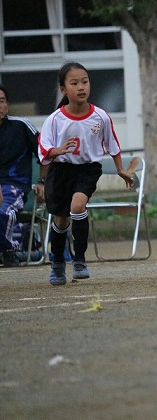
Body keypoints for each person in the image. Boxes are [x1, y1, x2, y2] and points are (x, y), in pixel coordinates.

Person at [39, 62, 134, 285]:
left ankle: (79, 260)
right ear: (63, 89)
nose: (81, 87)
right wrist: (58, 150)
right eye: (74, 83)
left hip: (88, 170)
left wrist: (120, 169)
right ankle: (57, 263)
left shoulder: (100, 116)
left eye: (85, 81)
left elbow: (113, 144)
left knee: (78, 206)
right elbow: (43, 148)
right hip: (61, 170)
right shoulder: (55, 119)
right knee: (61, 220)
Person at [0, 84, 41, 267]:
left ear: (7, 105)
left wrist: (43, 182)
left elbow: (45, 154)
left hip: (14, 186)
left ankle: (10, 250)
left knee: (3, 211)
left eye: (1, 101)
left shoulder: (21, 125)